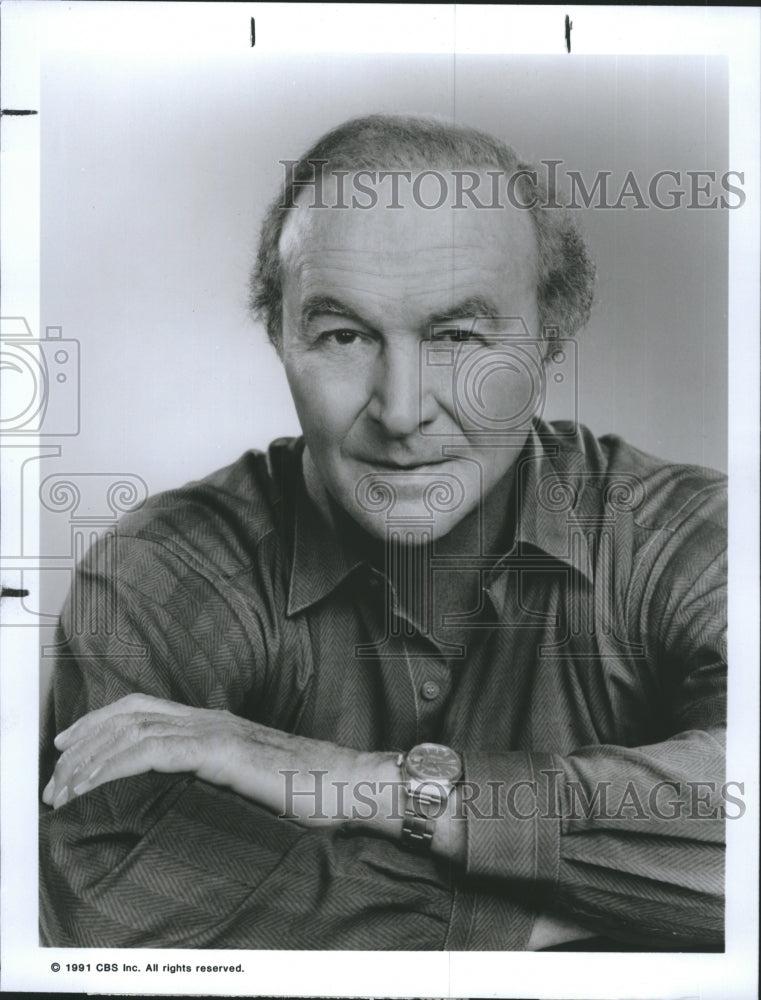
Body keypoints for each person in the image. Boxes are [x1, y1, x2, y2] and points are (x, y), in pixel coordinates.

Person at [39, 114, 727, 951]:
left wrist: (359, 784)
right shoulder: (162, 570)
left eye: (457, 338)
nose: (401, 412)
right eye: (344, 336)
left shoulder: (689, 540)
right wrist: (553, 914)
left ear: (551, 339)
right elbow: (105, 896)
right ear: (279, 338)